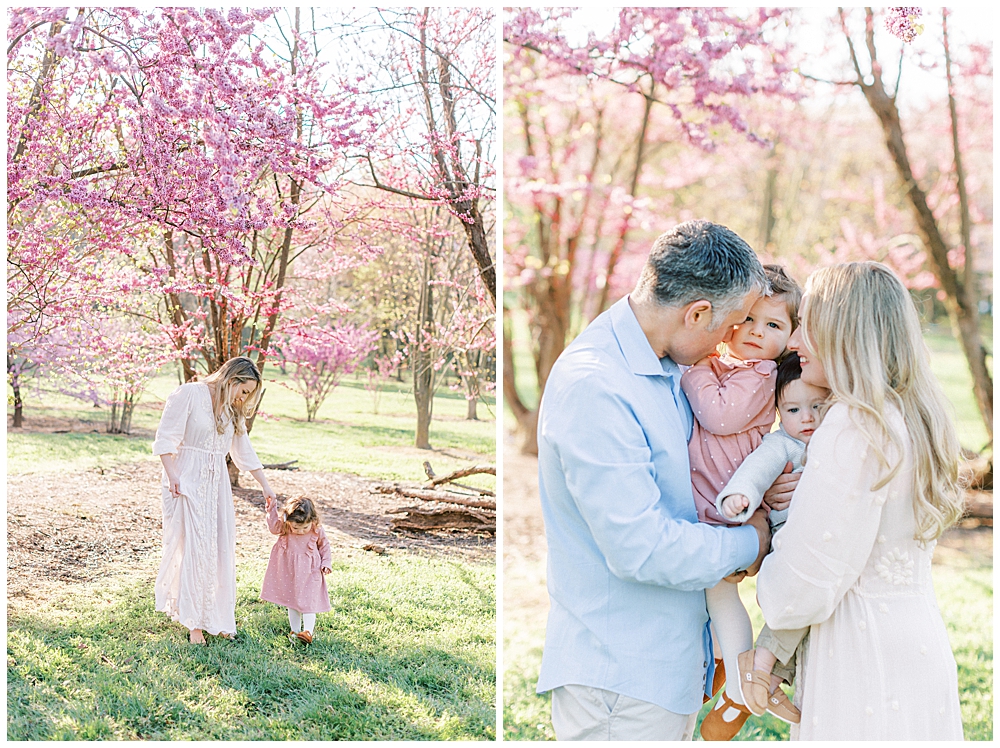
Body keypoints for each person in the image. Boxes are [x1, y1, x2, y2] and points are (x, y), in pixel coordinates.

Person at [535, 220, 776, 741]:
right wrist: (749, 541)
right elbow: (640, 549)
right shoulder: (596, 386)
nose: (731, 341)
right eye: (730, 325)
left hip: (662, 669)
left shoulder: (667, 368)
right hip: (619, 679)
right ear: (697, 313)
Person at [755, 262, 965, 740]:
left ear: (842, 331)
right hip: (919, 644)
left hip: (859, 652)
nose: (793, 341)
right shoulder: (912, 415)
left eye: (807, 324)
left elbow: (799, 588)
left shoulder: (854, 424)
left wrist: (763, 540)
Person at [679, 265, 800, 740]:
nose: (756, 332)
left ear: (789, 340)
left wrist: (695, 371)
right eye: (749, 318)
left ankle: (738, 682)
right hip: (713, 500)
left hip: (727, 506)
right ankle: (728, 666)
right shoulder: (732, 366)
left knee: (721, 593)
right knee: (714, 595)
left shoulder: (760, 374)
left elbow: (718, 414)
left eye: (773, 325)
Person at [712, 353, 831, 725]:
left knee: (807, 618)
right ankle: (762, 666)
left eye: (817, 406)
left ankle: (773, 677)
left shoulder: (833, 438)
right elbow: (756, 470)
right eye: (794, 410)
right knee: (802, 600)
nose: (807, 417)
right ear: (778, 410)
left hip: (819, 543)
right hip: (791, 546)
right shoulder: (782, 445)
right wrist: (741, 496)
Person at [152, 356, 277, 645]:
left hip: (215, 483)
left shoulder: (232, 411)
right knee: (194, 547)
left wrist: (265, 487)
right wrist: (172, 475)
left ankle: (218, 617)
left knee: (219, 546)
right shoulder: (189, 394)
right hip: (184, 479)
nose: (244, 398)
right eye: (243, 390)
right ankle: (194, 623)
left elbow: (243, 450)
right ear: (231, 378)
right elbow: (165, 438)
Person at [261, 495, 332, 644]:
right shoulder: (285, 526)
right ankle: (295, 631)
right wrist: (271, 509)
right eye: (296, 528)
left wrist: (326, 562)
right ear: (288, 521)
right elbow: (273, 527)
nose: (300, 531)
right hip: (289, 570)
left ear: (313, 520)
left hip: (311, 571)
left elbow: (324, 546)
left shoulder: (316, 530)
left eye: (304, 527)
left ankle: (308, 632)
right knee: (291, 600)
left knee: (309, 601)